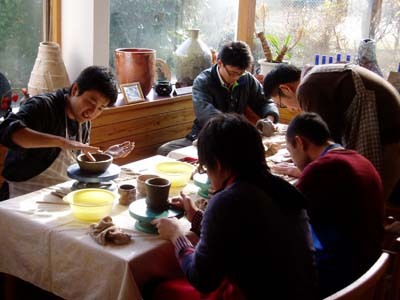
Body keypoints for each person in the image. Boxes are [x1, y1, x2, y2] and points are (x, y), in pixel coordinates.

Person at [151, 113, 318, 299]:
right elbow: (237, 237)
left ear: (219, 164)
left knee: (158, 288)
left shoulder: (228, 201)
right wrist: (196, 216)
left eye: (206, 168)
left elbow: (202, 279)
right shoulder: (281, 188)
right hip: (304, 291)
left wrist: (176, 235)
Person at [273, 112, 384, 297]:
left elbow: (281, 214)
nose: (293, 159)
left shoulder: (320, 171)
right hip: (371, 262)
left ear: (300, 142)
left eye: (291, 152)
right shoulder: (357, 158)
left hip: (343, 275)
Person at [263, 63, 400, 202]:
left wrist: (303, 170)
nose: (289, 108)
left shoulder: (306, 88)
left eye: (282, 104)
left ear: (285, 89)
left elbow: (326, 144)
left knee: (364, 198)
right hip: (389, 117)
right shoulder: (313, 75)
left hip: (386, 127)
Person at [0, 65, 135, 199]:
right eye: (91, 101)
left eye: (100, 108)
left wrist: (106, 156)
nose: (93, 112)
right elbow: (7, 130)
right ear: (75, 89)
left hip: (58, 193)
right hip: (22, 195)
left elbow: (75, 165)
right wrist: (61, 142)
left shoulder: (84, 119)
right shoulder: (42, 106)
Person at [157, 41, 279, 156]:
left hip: (236, 136)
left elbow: (265, 101)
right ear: (219, 63)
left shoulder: (246, 78)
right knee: (165, 150)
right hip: (206, 136)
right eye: (232, 73)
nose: (236, 78)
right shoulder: (203, 81)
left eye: (240, 74)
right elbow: (207, 114)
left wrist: (269, 119)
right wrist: (239, 130)